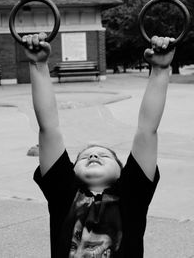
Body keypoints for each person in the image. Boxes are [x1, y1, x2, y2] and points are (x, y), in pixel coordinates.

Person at [22, 32, 175, 258]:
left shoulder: (132, 196)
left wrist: (161, 71)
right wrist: (38, 65)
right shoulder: (64, 194)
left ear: (121, 172)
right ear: (71, 171)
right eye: (85, 157)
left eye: (103, 155)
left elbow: (147, 130)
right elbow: (49, 129)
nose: (93, 156)